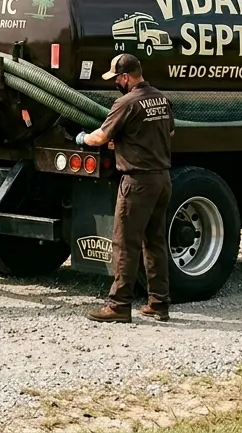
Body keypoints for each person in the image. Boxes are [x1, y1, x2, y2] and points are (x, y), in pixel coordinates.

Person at [76, 53, 175, 324]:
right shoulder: (162, 100)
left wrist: (83, 137)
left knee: (125, 244)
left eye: (116, 79)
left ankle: (119, 305)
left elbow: (101, 137)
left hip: (137, 182)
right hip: (162, 179)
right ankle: (159, 303)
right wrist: (131, 141)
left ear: (125, 77)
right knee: (155, 242)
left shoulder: (126, 102)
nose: (115, 84)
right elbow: (168, 134)